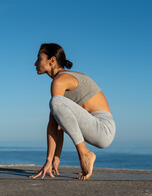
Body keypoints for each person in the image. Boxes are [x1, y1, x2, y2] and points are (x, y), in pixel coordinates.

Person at [30, 43, 116, 180]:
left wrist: (49, 159)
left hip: (102, 127)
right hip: (100, 129)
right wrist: (54, 159)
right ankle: (84, 154)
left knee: (55, 102)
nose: (35, 63)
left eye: (39, 58)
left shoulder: (60, 80)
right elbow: (58, 124)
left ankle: (84, 154)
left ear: (52, 60)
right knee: (56, 104)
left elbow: (53, 123)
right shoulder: (63, 79)